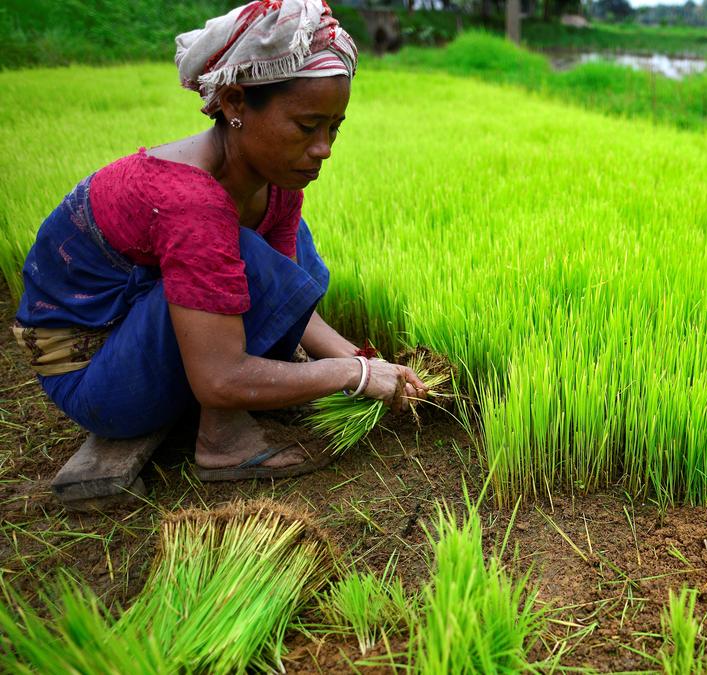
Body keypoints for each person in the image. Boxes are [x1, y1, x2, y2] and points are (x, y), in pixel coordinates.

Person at [10, 0, 427, 482]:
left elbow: (284, 299)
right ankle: (222, 439)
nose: (324, 149)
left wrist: (363, 362)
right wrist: (350, 376)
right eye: (307, 126)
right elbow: (219, 378)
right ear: (233, 104)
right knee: (240, 251)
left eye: (334, 128)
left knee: (286, 256)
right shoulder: (190, 200)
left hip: (153, 331)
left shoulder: (277, 182)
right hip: (99, 378)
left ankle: (243, 385)